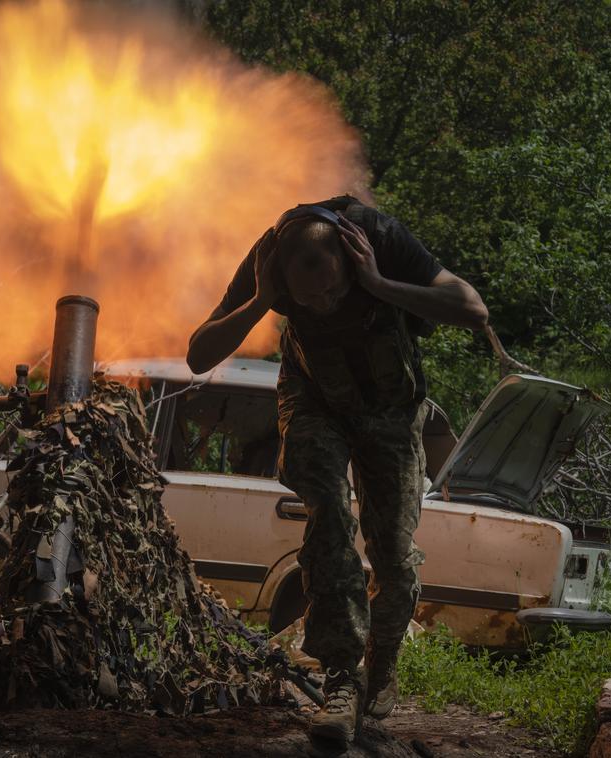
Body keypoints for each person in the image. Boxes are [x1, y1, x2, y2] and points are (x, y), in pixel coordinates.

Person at [186, 196, 488, 743]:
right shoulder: (269, 258)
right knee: (328, 518)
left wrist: (378, 285)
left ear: (348, 259)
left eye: (332, 290)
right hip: (315, 402)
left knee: (394, 556)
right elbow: (198, 355)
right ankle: (341, 676)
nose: (322, 305)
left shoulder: (378, 238)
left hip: (391, 410)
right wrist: (260, 300)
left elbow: (472, 309)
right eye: (307, 299)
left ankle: (383, 661)